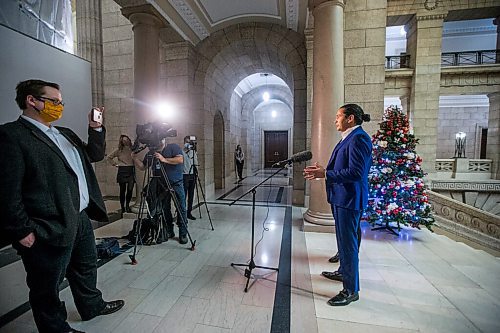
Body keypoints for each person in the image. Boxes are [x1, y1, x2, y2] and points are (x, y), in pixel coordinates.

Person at [0, 79, 124, 333]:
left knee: (86, 266)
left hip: (79, 217)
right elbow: (6, 190)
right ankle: (55, 328)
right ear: (31, 101)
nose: (59, 106)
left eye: (61, 102)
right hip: (47, 224)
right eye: (54, 101)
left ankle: (92, 305)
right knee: (47, 283)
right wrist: (22, 231)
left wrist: (96, 128)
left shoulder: (64, 133)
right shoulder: (12, 135)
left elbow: (94, 154)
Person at [304, 103, 372, 306]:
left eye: (338, 116)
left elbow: (356, 173)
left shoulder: (359, 138)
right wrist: (325, 169)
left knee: (349, 244)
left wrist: (325, 174)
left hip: (349, 199)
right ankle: (344, 272)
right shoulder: (349, 137)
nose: (335, 120)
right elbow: (346, 167)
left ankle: (351, 290)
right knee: (344, 241)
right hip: (342, 197)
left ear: (350, 118)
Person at [132, 139, 189, 244]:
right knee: (164, 209)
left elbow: (180, 160)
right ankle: (169, 230)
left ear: (163, 139)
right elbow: (143, 167)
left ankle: (183, 233)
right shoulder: (151, 153)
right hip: (160, 185)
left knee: (181, 208)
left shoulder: (173, 147)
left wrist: (164, 159)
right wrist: (134, 158)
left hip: (176, 183)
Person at [107, 135, 135, 213]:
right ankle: (122, 207)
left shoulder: (133, 149)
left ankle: (127, 205)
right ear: (121, 142)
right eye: (123, 140)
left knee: (130, 189)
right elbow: (109, 157)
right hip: (122, 170)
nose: (125, 142)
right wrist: (115, 164)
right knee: (122, 190)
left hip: (131, 170)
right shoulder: (119, 150)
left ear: (129, 140)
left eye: (126, 140)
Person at [182, 135, 198, 220]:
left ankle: (189, 212)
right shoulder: (181, 152)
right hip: (184, 175)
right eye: (187, 142)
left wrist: (196, 172)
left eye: (190, 142)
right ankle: (182, 212)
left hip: (192, 175)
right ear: (184, 143)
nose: (188, 144)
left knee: (191, 195)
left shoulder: (193, 152)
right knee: (183, 195)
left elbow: (196, 163)